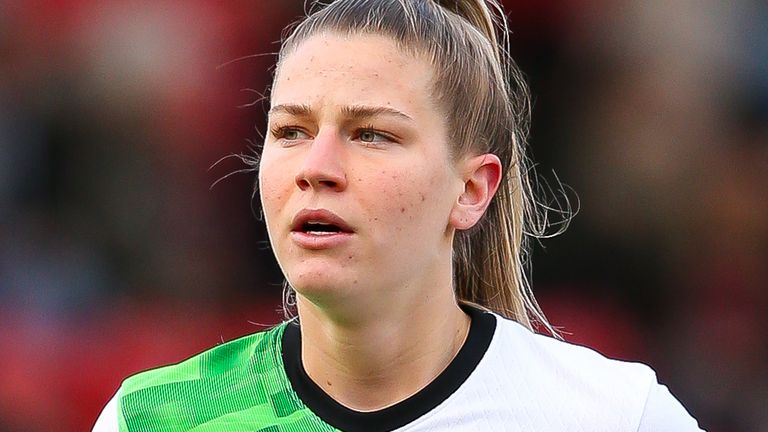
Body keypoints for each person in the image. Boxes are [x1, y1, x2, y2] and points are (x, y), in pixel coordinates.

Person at [93, 0, 705, 430]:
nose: (317, 166)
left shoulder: (613, 418)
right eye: (290, 131)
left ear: (471, 189)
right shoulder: (151, 418)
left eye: (372, 134)